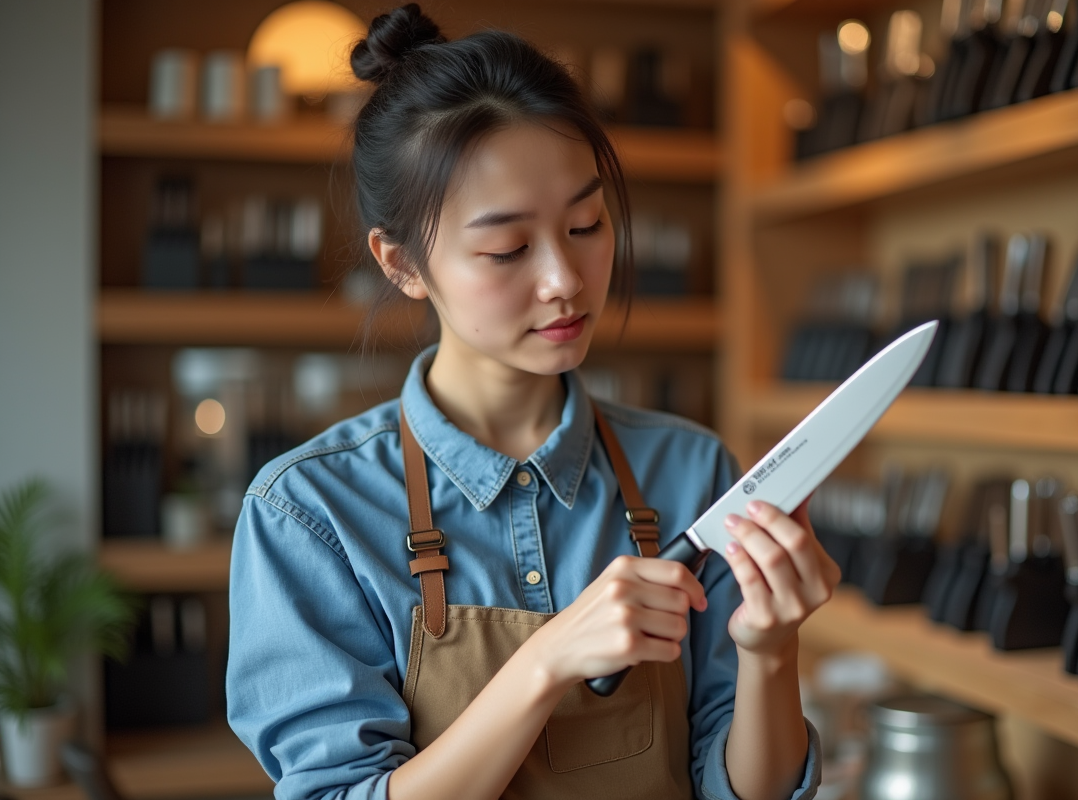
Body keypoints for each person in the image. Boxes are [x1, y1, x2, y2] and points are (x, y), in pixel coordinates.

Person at [226, 6, 840, 800]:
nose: (564, 279)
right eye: (508, 248)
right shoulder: (308, 513)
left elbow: (739, 789)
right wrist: (545, 664)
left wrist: (771, 649)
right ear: (403, 262)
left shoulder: (692, 469)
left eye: (587, 224)